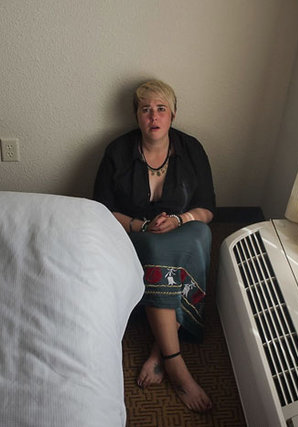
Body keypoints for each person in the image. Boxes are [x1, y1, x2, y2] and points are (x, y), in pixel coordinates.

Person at [93, 79, 216, 412]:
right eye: (145, 109)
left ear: (172, 114)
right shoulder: (117, 151)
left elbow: (207, 209)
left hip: (181, 228)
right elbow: (102, 209)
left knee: (201, 235)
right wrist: (141, 225)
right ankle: (176, 364)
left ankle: (158, 352)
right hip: (134, 231)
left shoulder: (192, 149)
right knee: (158, 252)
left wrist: (179, 219)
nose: (153, 116)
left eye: (161, 108)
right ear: (136, 116)